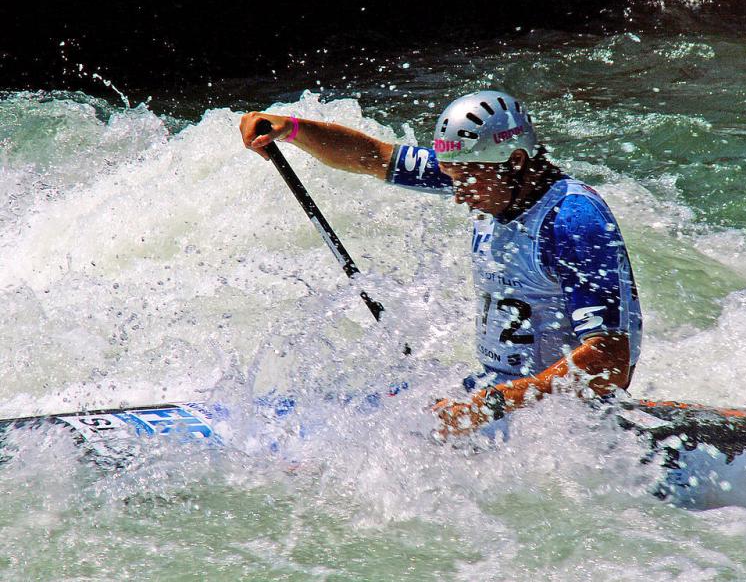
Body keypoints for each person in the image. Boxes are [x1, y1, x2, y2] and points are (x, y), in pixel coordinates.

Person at [239, 90, 642, 437]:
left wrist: (489, 407)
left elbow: (610, 362)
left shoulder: (573, 220)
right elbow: (372, 156)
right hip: (490, 395)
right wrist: (291, 129)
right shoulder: (488, 177)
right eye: (451, 177)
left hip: (557, 421)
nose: (458, 194)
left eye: (466, 180)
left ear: (516, 160)